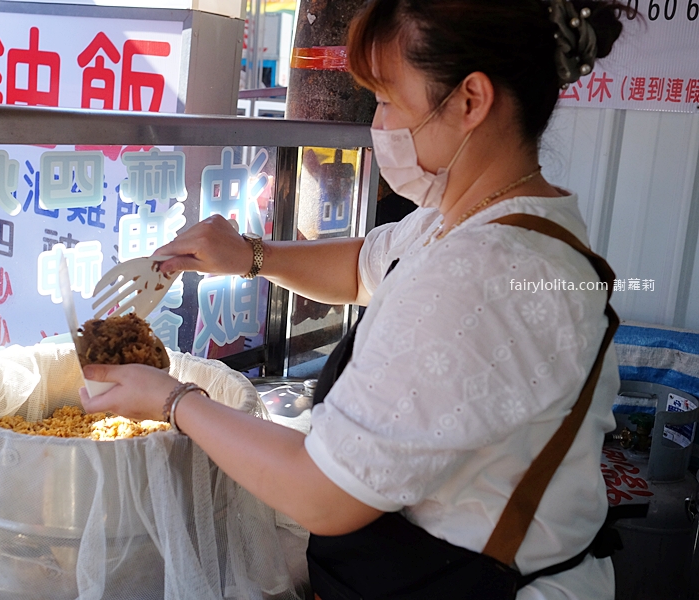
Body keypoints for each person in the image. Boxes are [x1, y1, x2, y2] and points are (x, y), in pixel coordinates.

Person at [79, 0, 632, 597]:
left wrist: (171, 400)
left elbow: (321, 494)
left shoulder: (484, 271)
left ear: (470, 100)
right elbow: (367, 265)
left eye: (390, 98)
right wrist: (250, 255)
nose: (380, 121)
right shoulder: (485, 218)